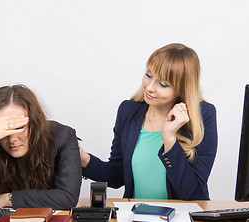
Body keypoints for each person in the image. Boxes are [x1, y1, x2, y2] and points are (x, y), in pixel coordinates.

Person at [80, 43, 218, 200]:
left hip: (182, 219)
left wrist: (170, 139)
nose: (149, 87)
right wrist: (84, 159)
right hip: (137, 218)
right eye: (148, 75)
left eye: (163, 84)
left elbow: (192, 193)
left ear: (181, 89)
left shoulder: (203, 115)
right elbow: (117, 174)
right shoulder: (129, 110)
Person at [0, 84, 82, 209]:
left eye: (19, 127)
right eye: (3, 129)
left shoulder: (62, 136)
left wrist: (8, 198)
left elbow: (67, 198)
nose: (12, 138)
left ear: (35, 122)